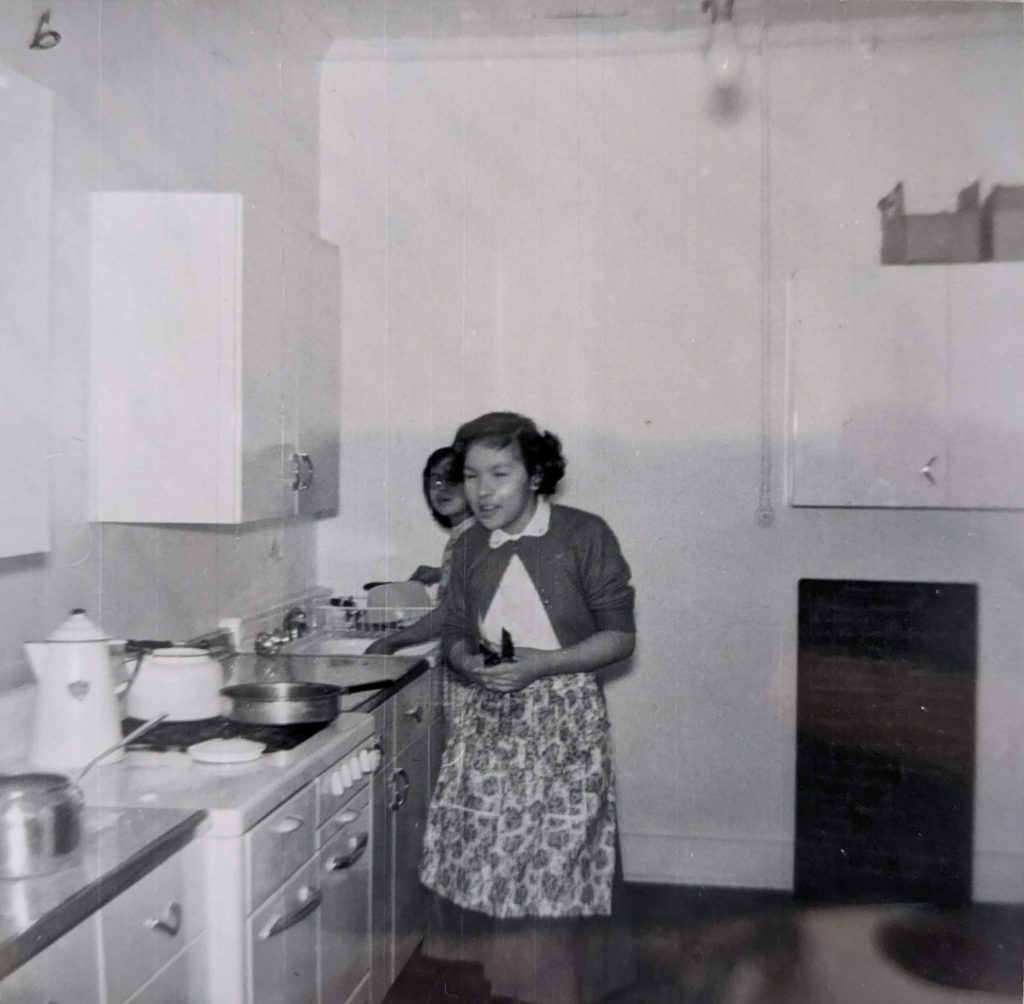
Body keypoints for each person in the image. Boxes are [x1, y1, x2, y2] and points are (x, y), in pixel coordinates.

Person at [418, 412, 637, 1004]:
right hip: (490, 721)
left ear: (536, 474)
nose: (482, 492)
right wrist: (469, 664)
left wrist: (540, 664)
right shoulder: (466, 547)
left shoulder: (583, 534)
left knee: (554, 874)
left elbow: (619, 638)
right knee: (495, 871)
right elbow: (457, 631)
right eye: (471, 476)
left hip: (564, 721)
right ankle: (514, 992)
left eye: (500, 474)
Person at [365, 447, 474, 656]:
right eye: (436, 480)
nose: (443, 488)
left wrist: (390, 643)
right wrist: (443, 572)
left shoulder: (472, 537)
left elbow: (450, 612)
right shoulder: (463, 533)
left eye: (454, 479)